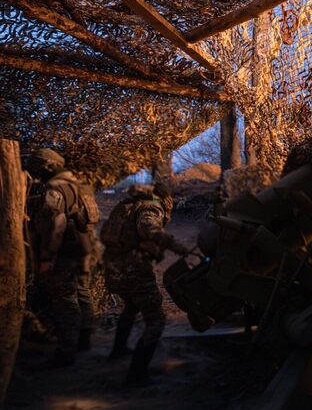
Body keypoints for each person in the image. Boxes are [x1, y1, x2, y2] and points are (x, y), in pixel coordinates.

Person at [101, 182, 190, 385]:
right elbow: (148, 229)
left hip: (114, 266)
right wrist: (176, 245)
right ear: (166, 198)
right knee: (156, 319)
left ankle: (118, 350)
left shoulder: (129, 204)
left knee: (131, 306)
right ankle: (137, 374)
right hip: (134, 268)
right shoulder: (151, 206)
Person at [26, 149, 100, 369]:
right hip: (83, 247)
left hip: (64, 252)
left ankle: (67, 352)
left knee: (65, 300)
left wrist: (48, 257)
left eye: (37, 169)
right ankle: (84, 340)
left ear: (46, 167)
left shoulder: (54, 188)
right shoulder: (79, 184)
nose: (36, 174)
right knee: (82, 293)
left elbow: (56, 226)